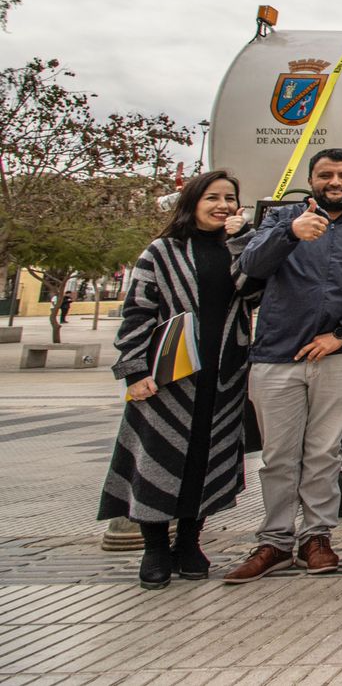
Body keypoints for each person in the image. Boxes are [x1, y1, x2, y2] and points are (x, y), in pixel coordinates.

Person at [225, 149, 342, 583]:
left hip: (338, 355)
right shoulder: (282, 220)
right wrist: (290, 234)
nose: (336, 181)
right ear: (312, 179)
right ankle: (275, 541)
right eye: (326, 175)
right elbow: (250, 267)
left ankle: (317, 538)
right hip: (277, 355)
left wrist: (340, 335)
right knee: (278, 456)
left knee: (323, 453)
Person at [99, 171, 260, 589]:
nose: (223, 205)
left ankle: (190, 541)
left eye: (230, 198)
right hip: (168, 373)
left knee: (208, 458)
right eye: (213, 198)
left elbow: (254, 291)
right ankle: (155, 547)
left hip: (222, 372)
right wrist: (134, 372)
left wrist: (244, 238)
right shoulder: (161, 251)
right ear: (192, 202)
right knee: (158, 458)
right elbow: (136, 311)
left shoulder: (234, 250)